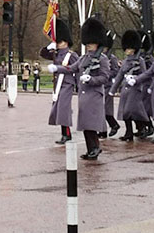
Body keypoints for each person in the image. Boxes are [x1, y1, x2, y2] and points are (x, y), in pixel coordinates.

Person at [49, 17, 110, 160]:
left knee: (91, 123)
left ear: (97, 43)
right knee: (85, 124)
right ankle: (91, 149)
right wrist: (57, 68)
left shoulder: (102, 59)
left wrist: (91, 79)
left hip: (94, 95)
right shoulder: (83, 58)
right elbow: (71, 68)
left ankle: (95, 148)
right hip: (84, 95)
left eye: (91, 43)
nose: (88, 45)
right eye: (87, 43)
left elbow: (104, 77)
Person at [40, 19, 78, 144]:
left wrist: (79, 85)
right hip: (57, 84)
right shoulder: (55, 53)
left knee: (63, 109)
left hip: (67, 84)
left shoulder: (71, 55)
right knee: (58, 109)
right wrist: (48, 47)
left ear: (66, 42)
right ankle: (64, 134)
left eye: (59, 41)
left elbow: (76, 68)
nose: (58, 44)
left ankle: (67, 135)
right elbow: (43, 54)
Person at [109, 30, 149, 141]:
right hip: (125, 89)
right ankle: (130, 132)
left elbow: (145, 74)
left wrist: (136, 80)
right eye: (126, 48)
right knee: (126, 112)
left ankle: (140, 129)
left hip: (135, 90)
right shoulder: (126, 61)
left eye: (129, 48)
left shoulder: (140, 60)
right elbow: (120, 76)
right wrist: (113, 89)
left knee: (132, 111)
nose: (127, 51)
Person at [99, 31, 120, 138]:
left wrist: (106, 74)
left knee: (106, 109)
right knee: (100, 109)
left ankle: (114, 125)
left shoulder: (112, 58)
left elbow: (116, 71)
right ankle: (103, 131)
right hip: (99, 85)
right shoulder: (99, 56)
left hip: (107, 86)